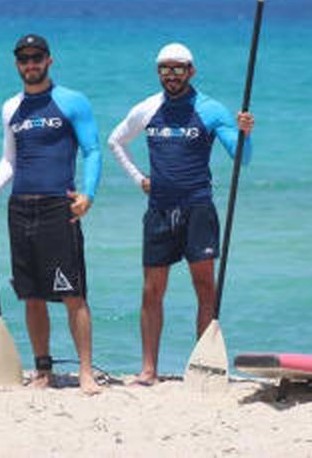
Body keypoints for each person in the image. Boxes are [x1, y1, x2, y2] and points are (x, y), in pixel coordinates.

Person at [107, 42, 255, 385]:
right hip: (158, 210)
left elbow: (241, 158)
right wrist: (139, 178)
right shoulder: (147, 109)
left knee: (204, 287)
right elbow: (115, 141)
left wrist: (245, 133)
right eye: (165, 68)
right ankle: (149, 370)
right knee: (151, 291)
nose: (171, 75)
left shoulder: (210, 109)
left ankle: (203, 366)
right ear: (158, 72)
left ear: (191, 71)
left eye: (178, 68)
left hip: (198, 209)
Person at [0, 34, 102, 394]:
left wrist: (87, 195)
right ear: (17, 64)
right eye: (24, 58)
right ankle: (42, 371)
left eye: (37, 57)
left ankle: (86, 372)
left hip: (58, 208)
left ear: (49, 60)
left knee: (72, 293)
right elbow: (9, 159)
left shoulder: (71, 101)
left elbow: (92, 150)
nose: (31, 64)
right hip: (20, 208)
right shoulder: (11, 107)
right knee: (32, 295)